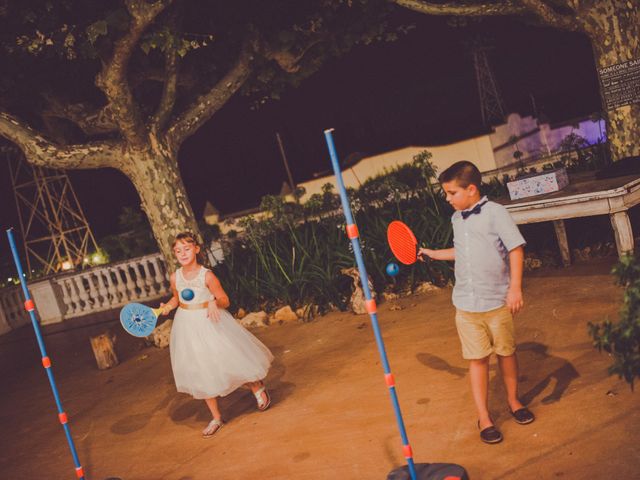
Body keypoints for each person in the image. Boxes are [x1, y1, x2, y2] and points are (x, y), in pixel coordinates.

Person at [419, 161, 535, 444]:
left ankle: (514, 402)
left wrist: (515, 289)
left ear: (471, 189)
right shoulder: (457, 219)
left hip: (497, 301)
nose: (447, 199)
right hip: (466, 305)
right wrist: (434, 254)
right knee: (478, 360)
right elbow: (462, 252)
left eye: (451, 193)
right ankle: (484, 416)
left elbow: (516, 249)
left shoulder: (496, 213)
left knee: (506, 353)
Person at [159, 232, 274, 438]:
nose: (182, 253)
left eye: (186, 248)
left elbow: (224, 300)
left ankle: (257, 386)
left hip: (211, 322)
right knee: (201, 370)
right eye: (178, 251)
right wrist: (168, 306)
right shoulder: (175, 277)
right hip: (187, 326)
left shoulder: (207, 275)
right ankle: (216, 417)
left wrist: (213, 301)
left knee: (227, 361)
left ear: (196, 249)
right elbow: (176, 299)